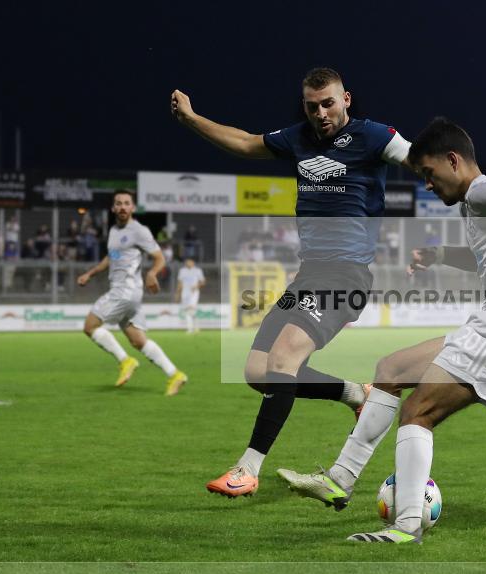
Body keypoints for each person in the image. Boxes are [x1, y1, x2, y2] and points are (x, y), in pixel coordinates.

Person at [275, 117, 486, 543]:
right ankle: (340, 479)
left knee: (417, 412)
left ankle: (405, 527)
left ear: (453, 160)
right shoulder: (476, 204)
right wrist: (439, 254)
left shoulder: (480, 190)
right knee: (391, 367)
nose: (427, 184)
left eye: (429, 173)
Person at [172, 67, 413, 498]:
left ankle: (247, 469)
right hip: (308, 276)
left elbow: (420, 160)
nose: (321, 113)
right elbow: (246, 143)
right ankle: (356, 394)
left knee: (283, 360)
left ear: (347, 100)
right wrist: (192, 120)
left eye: (328, 103)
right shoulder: (297, 138)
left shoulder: (374, 136)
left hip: (346, 275)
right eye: (312, 106)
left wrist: (476, 190)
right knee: (257, 371)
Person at [77, 190, 188, 396]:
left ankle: (125, 361)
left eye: (127, 203)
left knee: (90, 326)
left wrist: (152, 274)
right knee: (138, 340)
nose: (122, 207)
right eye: (118, 203)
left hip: (124, 291)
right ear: (113, 208)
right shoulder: (113, 232)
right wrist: (90, 274)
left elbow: (159, 257)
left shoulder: (139, 231)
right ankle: (175, 374)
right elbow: (111, 257)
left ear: (133, 208)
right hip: (128, 294)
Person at [176, 258, 205, 334]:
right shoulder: (182, 271)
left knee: (190, 309)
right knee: (189, 311)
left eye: (189, 262)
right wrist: (178, 293)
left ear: (193, 262)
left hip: (194, 292)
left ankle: (190, 329)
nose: (187, 263)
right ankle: (196, 327)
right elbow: (180, 282)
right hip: (184, 292)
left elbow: (203, 282)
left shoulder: (198, 271)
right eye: (186, 262)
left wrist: (196, 286)